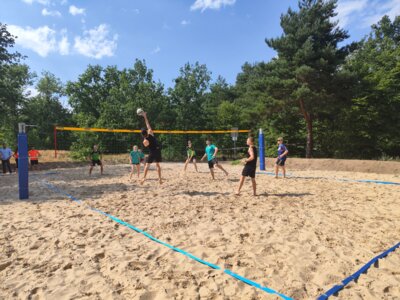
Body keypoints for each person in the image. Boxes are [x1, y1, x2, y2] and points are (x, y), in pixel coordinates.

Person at [140, 111, 162, 184]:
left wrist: (144, 139)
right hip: (158, 150)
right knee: (158, 165)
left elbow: (146, 145)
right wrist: (145, 116)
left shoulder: (144, 141)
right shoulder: (151, 133)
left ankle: (144, 178)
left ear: (142, 135)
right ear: (147, 131)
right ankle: (159, 179)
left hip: (152, 152)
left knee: (147, 165)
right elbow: (147, 124)